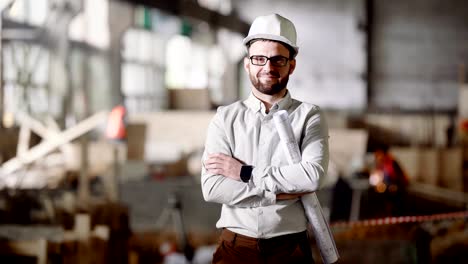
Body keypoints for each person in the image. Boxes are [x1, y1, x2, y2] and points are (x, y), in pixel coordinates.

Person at [201, 13, 329, 264]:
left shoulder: (308, 116)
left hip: (290, 249)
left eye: (277, 59)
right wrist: (276, 193)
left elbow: (312, 175)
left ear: (291, 64)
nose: (268, 67)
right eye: (259, 58)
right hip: (235, 248)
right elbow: (213, 188)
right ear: (247, 63)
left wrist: (246, 173)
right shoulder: (225, 118)